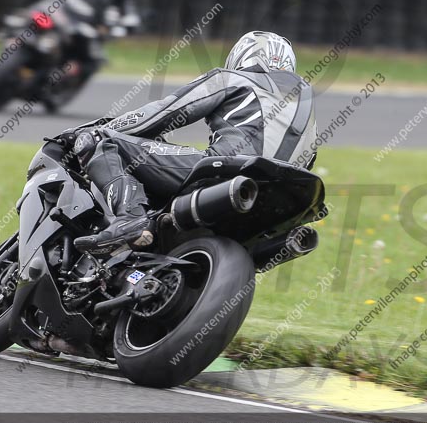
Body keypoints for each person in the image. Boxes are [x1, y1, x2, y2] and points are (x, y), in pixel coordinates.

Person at [67, 31, 318, 255]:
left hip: (226, 172)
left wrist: (97, 129)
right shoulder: (309, 111)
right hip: (282, 203)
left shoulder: (233, 78)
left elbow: (164, 113)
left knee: (99, 140)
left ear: (243, 56)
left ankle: (130, 218)